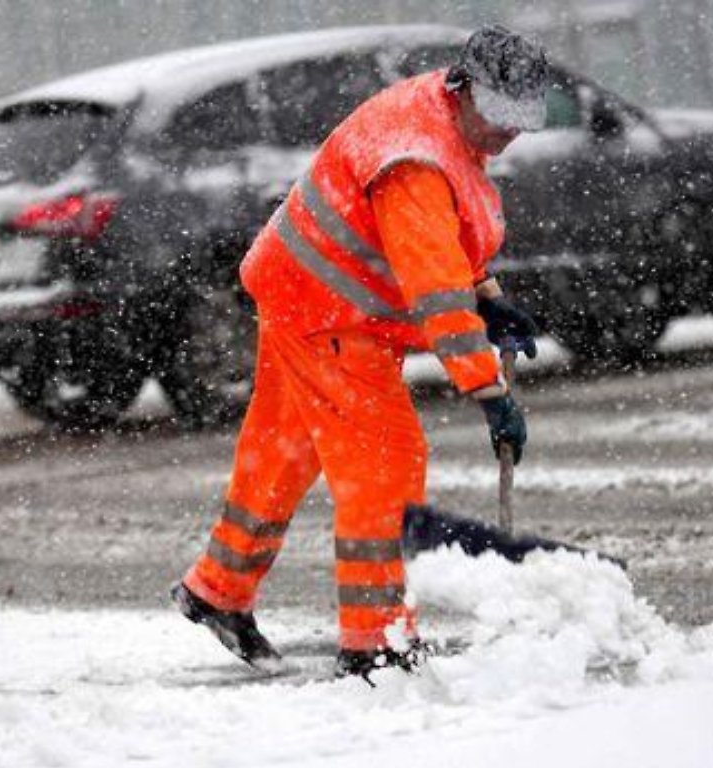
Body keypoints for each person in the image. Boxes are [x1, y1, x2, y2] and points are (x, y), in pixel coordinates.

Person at [171, 25, 547, 680]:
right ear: (463, 89)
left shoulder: (442, 120)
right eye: (499, 113)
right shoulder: (414, 159)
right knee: (385, 465)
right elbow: (435, 291)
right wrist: (489, 391)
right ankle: (376, 641)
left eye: (520, 118)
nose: (508, 131)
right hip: (332, 315)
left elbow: (443, 238)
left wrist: (487, 295)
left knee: (284, 451)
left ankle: (217, 590)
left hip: (299, 294)